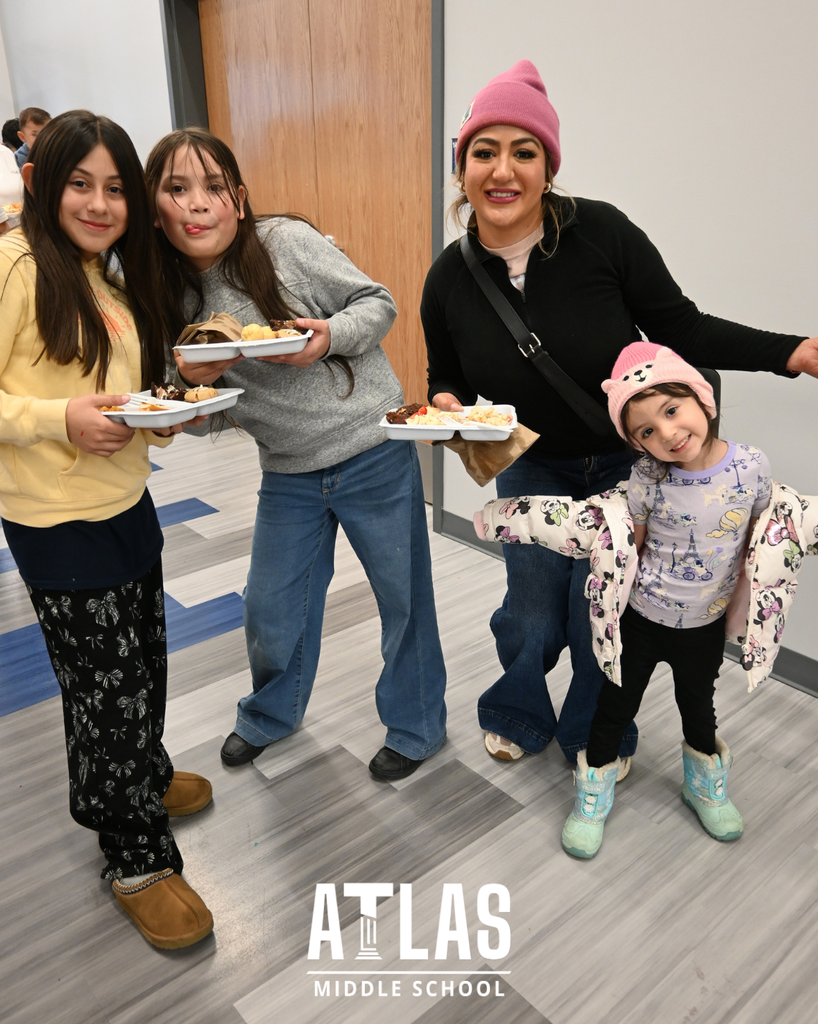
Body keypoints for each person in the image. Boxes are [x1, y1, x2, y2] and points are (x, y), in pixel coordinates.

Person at [421, 59, 818, 769]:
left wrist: (794, 352)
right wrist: (447, 406)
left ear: (548, 165)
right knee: (532, 612)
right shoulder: (448, 277)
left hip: (626, 468)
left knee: (598, 609)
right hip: (531, 466)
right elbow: (444, 377)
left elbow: (685, 330)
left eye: (524, 151)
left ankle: (595, 729)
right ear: (462, 168)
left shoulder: (601, 233)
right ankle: (517, 707)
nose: (502, 170)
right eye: (484, 152)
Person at [145, 128, 447, 782]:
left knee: (403, 599)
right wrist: (197, 385)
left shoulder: (284, 245)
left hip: (372, 451)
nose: (197, 205)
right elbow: (198, 421)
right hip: (286, 472)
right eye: (176, 189)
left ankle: (419, 726)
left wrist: (328, 338)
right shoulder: (167, 296)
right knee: (269, 605)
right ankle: (270, 714)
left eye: (213, 189)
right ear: (155, 207)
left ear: (240, 200)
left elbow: (380, 304)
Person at [0, 110, 214, 948]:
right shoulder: (16, 265)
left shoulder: (110, 277)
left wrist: (160, 416)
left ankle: (140, 778)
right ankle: (134, 855)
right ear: (43, 182)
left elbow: (121, 395)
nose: (98, 203)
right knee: (104, 692)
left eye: (116, 187)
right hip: (56, 521)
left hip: (129, 502)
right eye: (80, 184)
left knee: (142, 667)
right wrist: (59, 419)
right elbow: (55, 406)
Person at [474, 342, 817, 859]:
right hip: (639, 620)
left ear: (705, 401)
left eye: (673, 411)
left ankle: (704, 784)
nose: (668, 434)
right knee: (613, 709)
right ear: (635, 444)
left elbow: (771, 529)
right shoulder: (645, 479)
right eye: (646, 432)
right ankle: (593, 794)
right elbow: (625, 539)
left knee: (698, 709)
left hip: (704, 625)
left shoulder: (751, 466)